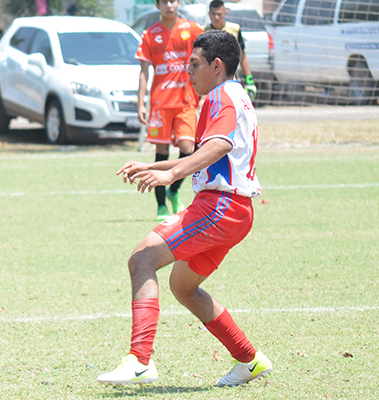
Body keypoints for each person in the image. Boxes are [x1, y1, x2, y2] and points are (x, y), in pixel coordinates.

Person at [98, 30, 272, 387]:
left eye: (194, 64)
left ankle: (140, 361)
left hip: (220, 206)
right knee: (183, 287)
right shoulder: (233, 95)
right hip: (233, 209)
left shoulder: (220, 95)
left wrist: (173, 172)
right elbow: (202, 155)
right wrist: (154, 167)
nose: (187, 73)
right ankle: (249, 359)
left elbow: (220, 145)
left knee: (141, 260)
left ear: (217, 65)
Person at [135, 0, 203, 221]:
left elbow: (205, 60)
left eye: (173, 0)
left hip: (186, 100)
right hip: (160, 103)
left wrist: (203, 90)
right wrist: (140, 103)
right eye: (164, 1)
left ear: (179, 3)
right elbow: (144, 72)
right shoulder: (149, 34)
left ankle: (174, 191)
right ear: (157, 5)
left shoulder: (192, 29)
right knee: (161, 153)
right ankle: (161, 205)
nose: (169, 5)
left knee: (189, 148)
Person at [204, 0, 257, 101]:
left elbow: (243, 56)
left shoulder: (235, 29)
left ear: (225, 13)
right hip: (210, 84)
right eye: (213, 14)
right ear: (209, 14)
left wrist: (249, 80)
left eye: (219, 14)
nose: (216, 17)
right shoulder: (203, 31)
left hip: (231, 83)